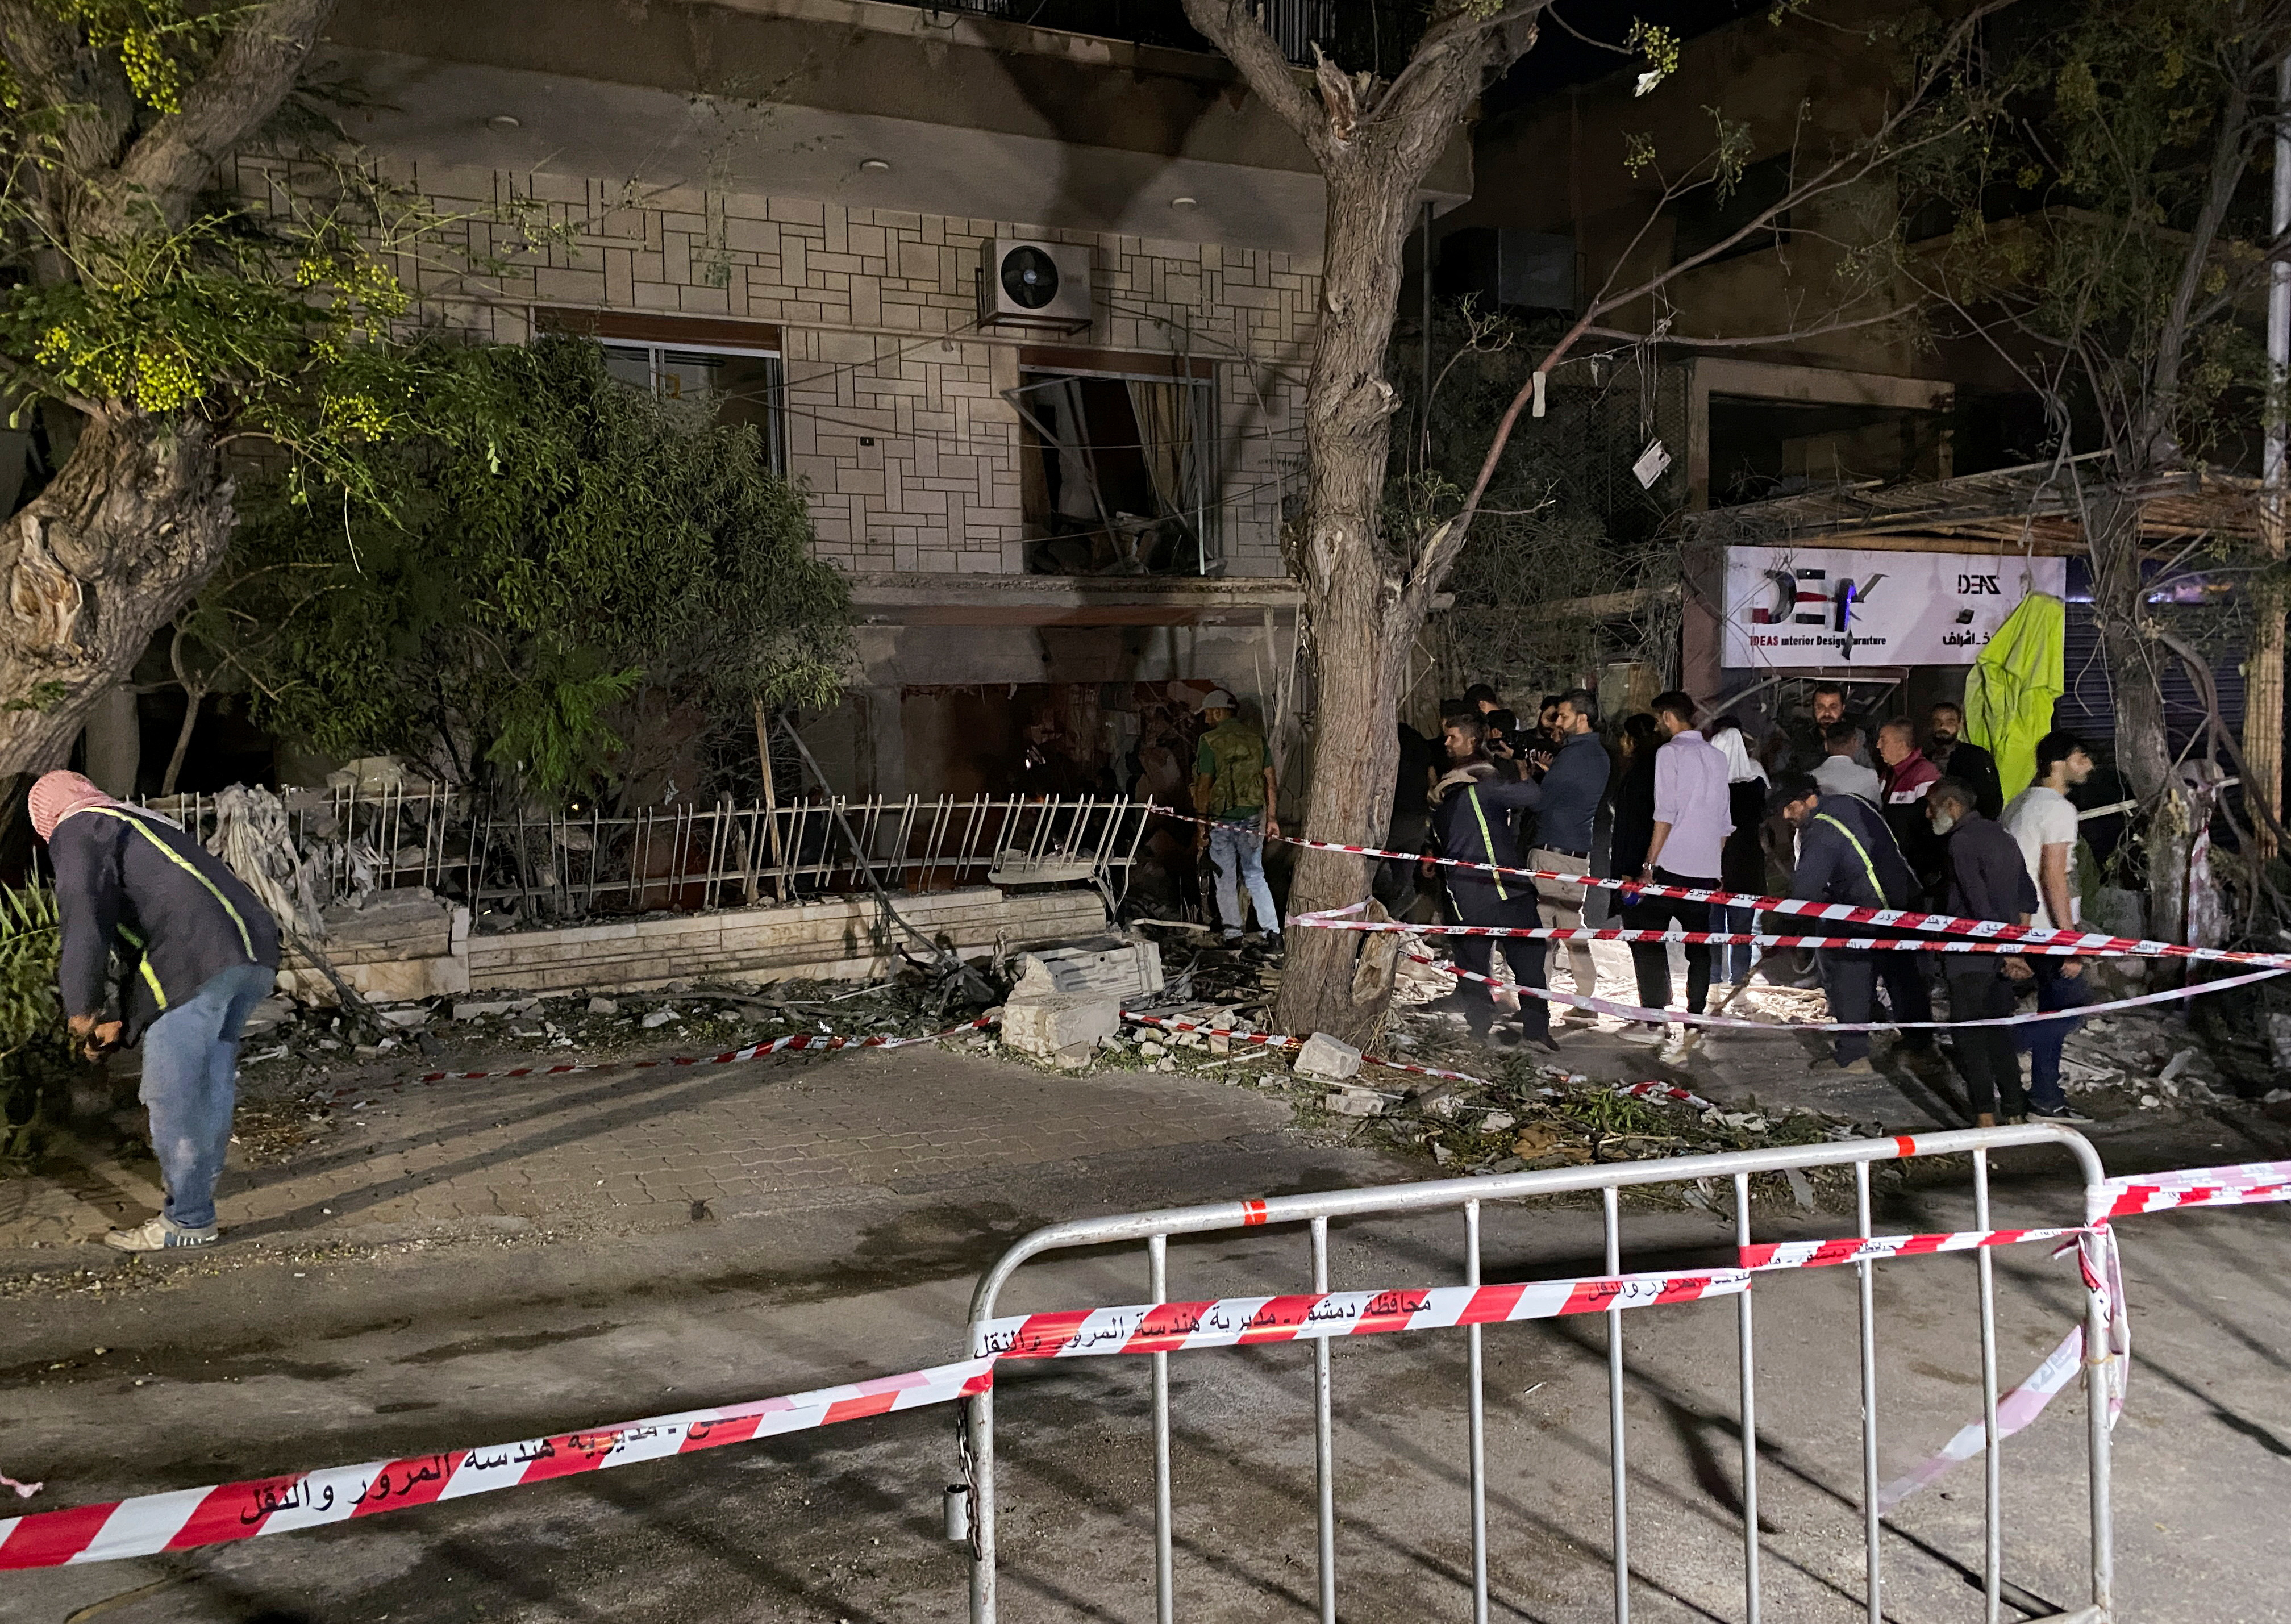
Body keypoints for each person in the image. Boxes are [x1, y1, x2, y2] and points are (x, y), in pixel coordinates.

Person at [36, 770, 281, 1251]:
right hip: (252, 951)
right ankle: (197, 1192)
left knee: (173, 1093)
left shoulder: (78, 827)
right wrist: (123, 1025)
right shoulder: (141, 825)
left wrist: (81, 1007)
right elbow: (145, 939)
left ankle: (188, 1221)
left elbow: (84, 919)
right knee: (210, 1080)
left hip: (197, 956)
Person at [1769, 773, 1935, 1075]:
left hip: (1865, 914)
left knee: (1845, 972)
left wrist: (1779, 926)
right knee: (1903, 975)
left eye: (1790, 807)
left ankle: (1854, 1054)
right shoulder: (1851, 801)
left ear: (1810, 799)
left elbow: (1802, 896)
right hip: (1902, 899)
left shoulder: (1820, 831)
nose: (1786, 816)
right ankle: (1921, 1046)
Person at [1430, 711, 1558, 1050]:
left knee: (1473, 970)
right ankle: (1535, 1032)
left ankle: (1479, 1034)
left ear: (1472, 742)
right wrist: (1530, 773)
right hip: (1505, 892)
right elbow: (1532, 797)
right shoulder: (1478, 793)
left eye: (1452, 737)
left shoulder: (1456, 799)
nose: (1446, 743)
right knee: (1526, 963)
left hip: (1472, 898)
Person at [1623, 692, 1731, 1060]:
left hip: (1670, 866)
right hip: (1705, 870)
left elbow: (1664, 813)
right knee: (1699, 950)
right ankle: (1695, 1017)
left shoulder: (1668, 754)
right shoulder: (1718, 758)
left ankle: (1656, 1019)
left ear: (1669, 717)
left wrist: (1649, 866)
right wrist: (1714, 867)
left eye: (1660, 719)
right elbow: (1723, 822)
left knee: (1650, 936)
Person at [1926, 778, 2037, 1125]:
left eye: (1933, 808)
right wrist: (2016, 948)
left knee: (1969, 1034)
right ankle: (2016, 1111)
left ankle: (1984, 1114)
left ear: (1952, 807)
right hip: (2004, 953)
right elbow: (2026, 896)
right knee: (1998, 1032)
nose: (1929, 816)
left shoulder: (1961, 841)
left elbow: (1977, 903)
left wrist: (2004, 951)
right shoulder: (2002, 836)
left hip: (1971, 955)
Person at [2001, 731, 2099, 1123]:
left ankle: (2045, 1096)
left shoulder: (2019, 803)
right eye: (2083, 757)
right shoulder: (2058, 810)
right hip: (2044, 928)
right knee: (2068, 1007)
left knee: (2055, 1010)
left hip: (2019, 924)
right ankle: (2004, 1048)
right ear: (2059, 762)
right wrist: (2069, 939)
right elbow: (2053, 877)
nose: (2089, 767)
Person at [1531, 688, 1609, 1015]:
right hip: (1579, 854)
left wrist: (1528, 778)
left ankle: (1537, 1001)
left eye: (1563, 716)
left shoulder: (1571, 755)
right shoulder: (1600, 756)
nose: (1558, 723)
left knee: (1541, 931)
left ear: (1582, 718)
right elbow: (1572, 794)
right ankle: (1585, 998)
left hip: (1551, 852)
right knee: (1572, 927)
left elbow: (1543, 800)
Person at [1190, 689, 1281, 946]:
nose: (1207, 720)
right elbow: (1270, 782)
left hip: (1221, 821)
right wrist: (1272, 818)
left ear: (1219, 712)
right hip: (1252, 819)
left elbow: (1204, 786)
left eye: (1209, 714)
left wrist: (1202, 824)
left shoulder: (1209, 741)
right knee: (1255, 875)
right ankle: (1273, 934)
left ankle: (1233, 935)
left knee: (1225, 879)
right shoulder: (1256, 739)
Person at [1708, 716, 1769, 988]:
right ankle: (1739, 984)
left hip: (1714, 860)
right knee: (1742, 929)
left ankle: (1712, 982)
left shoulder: (1712, 780)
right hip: (1747, 861)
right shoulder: (1756, 777)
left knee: (1712, 929)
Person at [1876, 718, 1945, 904]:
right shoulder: (1887, 774)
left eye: (1884, 740)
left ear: (1901, 744)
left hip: (1916, 874)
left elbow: (1932, 827)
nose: (1878, 745)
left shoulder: (1925, 776)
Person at [1374, 722, 1438, 919]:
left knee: (1370, 866)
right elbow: (1432, 779)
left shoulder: (1386, 743)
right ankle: (1394, 917)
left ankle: (1380, 918)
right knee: (1405, 875)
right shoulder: (1419, 742)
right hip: (1418, 818)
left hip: (1394, 816)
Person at [1926, 702, 2003, 819]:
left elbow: (1992, 801)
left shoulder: (1976, 757)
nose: (1942, 726)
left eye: (1950, 722)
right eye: (1937, 722)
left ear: (1960, 724)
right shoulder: (1924, 761)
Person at [1788, 681, 1853, 773]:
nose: (1827, 713)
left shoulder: (1857, 738)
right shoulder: (1801, 739)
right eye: (1820, 707)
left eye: (1833, 707)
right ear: (1814, 708)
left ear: (1842, 708)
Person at [1815, 720, 1885, 805]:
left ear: (1826, 746)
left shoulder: (1813, 777)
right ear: (1855, 743)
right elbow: (1876, 811)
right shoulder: (1869, 776)